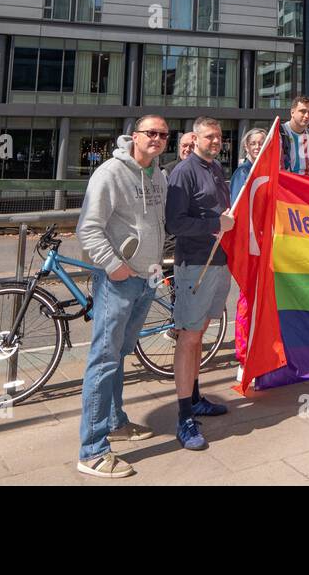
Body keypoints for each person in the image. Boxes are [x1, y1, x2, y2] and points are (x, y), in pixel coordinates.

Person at [75, 115, 170, 478]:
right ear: (134, 136)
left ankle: (115, 422)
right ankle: (92, 451)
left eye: (163, 135)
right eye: (151, 133)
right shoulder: (111, 173)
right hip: (118, 280)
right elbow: (88, 227)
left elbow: (156, 225)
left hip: (146, 278)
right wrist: (113, 265)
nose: (157, 139)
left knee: (119, 355)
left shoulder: (157, 176)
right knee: (103, 359)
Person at [165, 116, 235, 451]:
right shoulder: (184, 171)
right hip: (195, 264)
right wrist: (213, 224)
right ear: (195, 138)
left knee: (200, 334)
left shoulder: (216, 169)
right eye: (209, 136)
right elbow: (174, 222)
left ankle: (194, 397)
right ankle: (183, 417)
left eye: (219, 136)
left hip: (219, 262)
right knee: (189, 338)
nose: (216, 141)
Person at [279, 95, 309, 178]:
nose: (307, 115)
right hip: (286, 186)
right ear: (292, 113)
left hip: (308, 186)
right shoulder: (280, 133)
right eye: (303, 111)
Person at [230, 126, 267, 201]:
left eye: (261, 144)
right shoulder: (242, 172)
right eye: (253, 144)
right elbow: (237, 203)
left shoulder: (264, 170)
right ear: (246, 147)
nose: (257, 147)